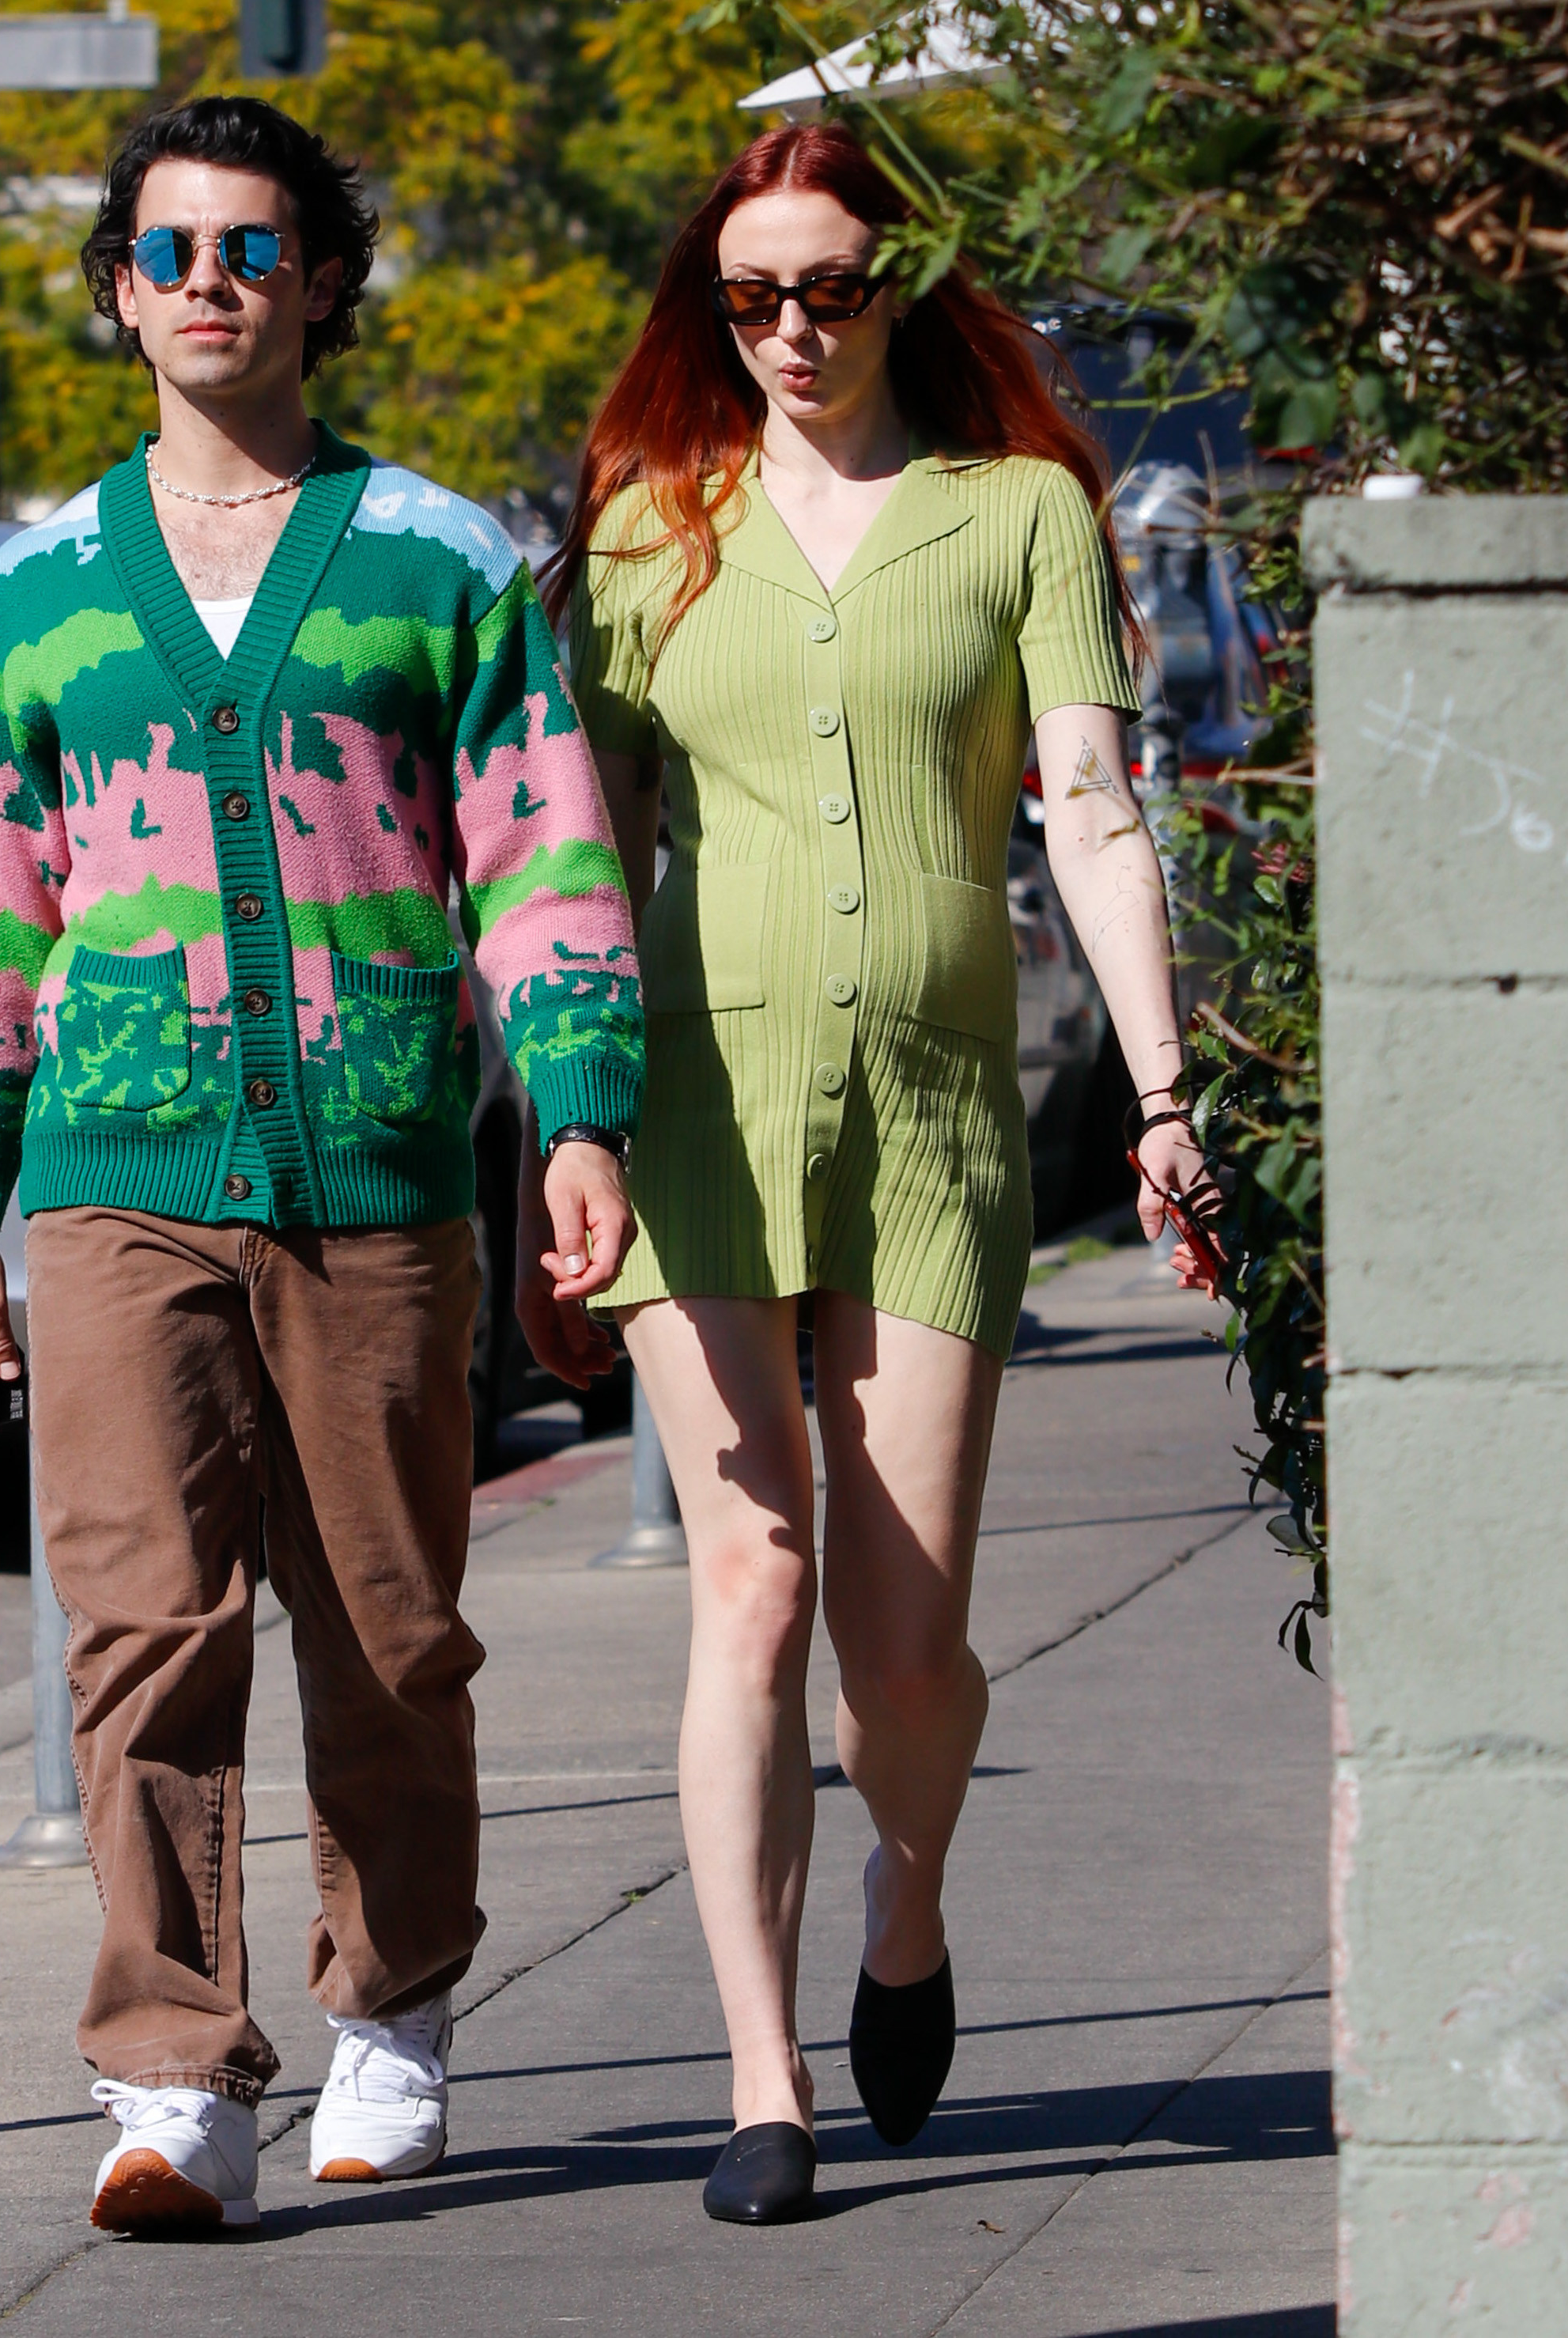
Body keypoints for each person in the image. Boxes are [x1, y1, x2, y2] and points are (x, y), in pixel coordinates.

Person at [0, 94, 644, 2236]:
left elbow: (543, 847)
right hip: (118, 1175)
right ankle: (168, 2071)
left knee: (392, 1625)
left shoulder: (440, 557)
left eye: (253, 245)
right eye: (169, 251)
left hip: (380, 1164)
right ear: (122, 297)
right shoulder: (42, 589)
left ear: (322, 280)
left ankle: (395, 2005)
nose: (210, 280)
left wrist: (579, 1110)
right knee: (142, 1626)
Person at [532, 123, 1220, 2226]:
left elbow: (1091, 808)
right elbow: (591, 850)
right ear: (710, 311)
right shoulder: (651, 525)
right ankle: (765, 2076)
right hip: (699, 1111)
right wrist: (567, 1109)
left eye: (830, 288)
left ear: (899, 286)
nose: (795, 330)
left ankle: (905, 1899)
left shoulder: (1025, 514)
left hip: (936, 1111)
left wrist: (1171, 1095)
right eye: (751, 298)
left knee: (903, 1649)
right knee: (748, 1591)